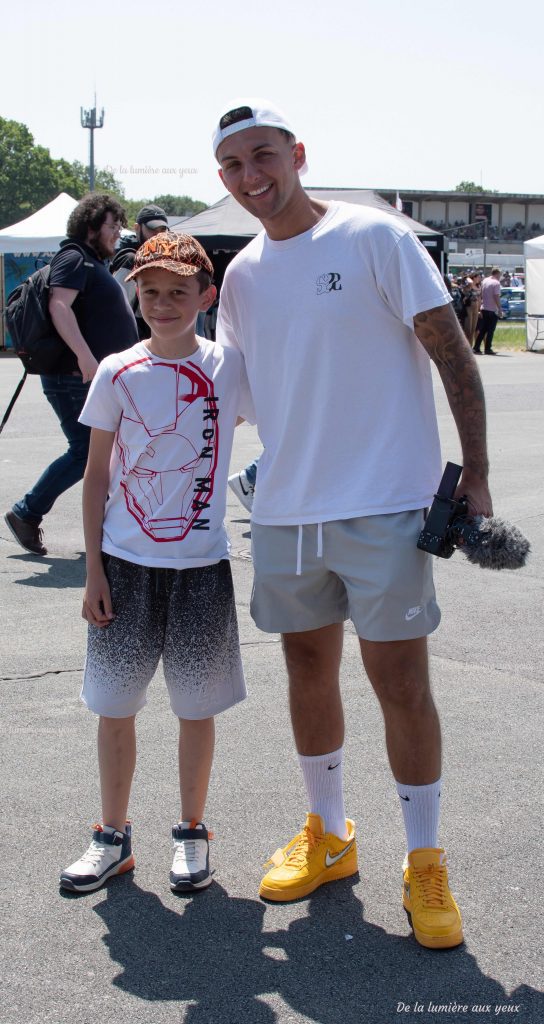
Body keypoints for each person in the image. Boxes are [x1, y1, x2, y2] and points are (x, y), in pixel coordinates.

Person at [213, 98, 492, 949]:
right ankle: (329, 835)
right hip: (288, 510)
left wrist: (476, 472)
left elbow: (451, 351)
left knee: (402, 684)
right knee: (306, 672)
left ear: (297, 152)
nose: (251, 177)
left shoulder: (377, 237)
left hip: (383, 505)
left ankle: (425, 860)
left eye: (264, 156)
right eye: (233, 167)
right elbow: (241, 396)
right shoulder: (241, 275)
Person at [59, 231, 254, 894]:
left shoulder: (231, 368)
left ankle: (192, 833)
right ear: (134, 295)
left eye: (179, 291)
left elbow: (294, 418)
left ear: (207, 294)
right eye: (150, 291)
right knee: (116, 708)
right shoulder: (118, 370)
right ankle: (112, 835)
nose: (163, 303)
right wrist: (92, 572)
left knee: (195, 709)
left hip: (201, 569)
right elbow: (94, 478)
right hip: (124, 566)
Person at [4, 193, 139, 556]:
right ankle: (26, 513)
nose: (117, 233)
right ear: (92, 227)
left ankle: (111, 526)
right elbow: (59, 305)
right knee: (85, 452)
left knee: (105, 453)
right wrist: (85, 358)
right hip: (73, 377)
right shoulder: (74, 256)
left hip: (87, 377)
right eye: (112, 226)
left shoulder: (91, 261)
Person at [110, 203, 169, 339]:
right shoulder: (131, 259)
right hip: (129, 338)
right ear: (137, 228)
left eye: (162, 230)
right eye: (152, 229)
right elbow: (117, 306)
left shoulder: (156, 259)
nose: (157, 236)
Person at [474, 267, 503, 354]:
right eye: (500, 274)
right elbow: (496, 296)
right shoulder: (496, 283)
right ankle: (487, 348)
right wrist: (499, 308)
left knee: (483, 330)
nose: (500, 276)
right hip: (492, 309)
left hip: (484, 307)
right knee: (490, 330)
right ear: (497, 274)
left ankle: (476, 347)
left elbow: (481, 293)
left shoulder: (485, 281)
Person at [462, 270, 482, 347]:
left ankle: (470, 346)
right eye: (478, 277)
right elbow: (469, 282)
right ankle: (466, 346)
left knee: (473, 329)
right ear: (474, 277)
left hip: (476, 306)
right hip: (469, 306)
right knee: (468, 328)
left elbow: (479, 298)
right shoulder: (468, 284)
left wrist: (479, 310)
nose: (479, 279)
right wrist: (469, 277)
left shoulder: (478, 286)